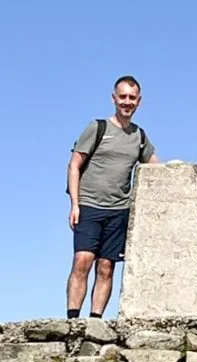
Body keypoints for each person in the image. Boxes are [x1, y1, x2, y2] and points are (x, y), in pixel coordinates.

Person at [66, 76, 158, 318]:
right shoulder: (97, 128)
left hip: (119, 210)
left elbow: (156, 168)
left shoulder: (140, 136)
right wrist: (74, 205)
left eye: (132, 98)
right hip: (89, 204)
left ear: (139, 101)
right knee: (82, 261)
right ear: (114, 98)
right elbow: (74, 165)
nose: (127, 102)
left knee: (106, 268)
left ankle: (95, 321)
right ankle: (73, 321)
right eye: (123, 97)